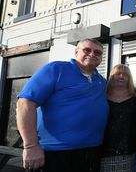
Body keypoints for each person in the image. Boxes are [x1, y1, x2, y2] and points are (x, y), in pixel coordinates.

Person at [16, 38, 109, 172]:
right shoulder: (56, 69)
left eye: (98, 53)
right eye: (87, 50)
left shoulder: (102, 82)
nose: (92, 54)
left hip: (91, 153)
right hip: (54, 153)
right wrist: (31, 146)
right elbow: (24, 103)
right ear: (76, 52)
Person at [101, 64, 136, 172]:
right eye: (117, 74)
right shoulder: (102, 94)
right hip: (104, 146)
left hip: (128, 146)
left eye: (125, 75)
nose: (121, 77)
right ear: (112, 76)